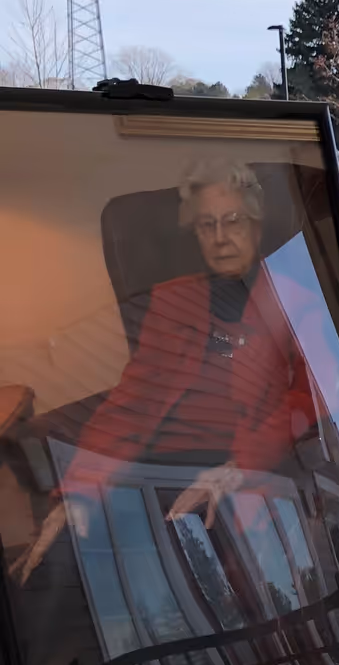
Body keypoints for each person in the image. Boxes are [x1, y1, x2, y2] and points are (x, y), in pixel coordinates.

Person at [9, 159, 319, 582]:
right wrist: (78, 490)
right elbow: (135, 400)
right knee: (63, 567)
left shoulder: (294, 301)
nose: (221, 237)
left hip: (239, 469)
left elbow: (311, 401)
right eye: (206, 225)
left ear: (257, 225)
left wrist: (237, 468)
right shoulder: (172, 300)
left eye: (233, 220)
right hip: (154, 473)